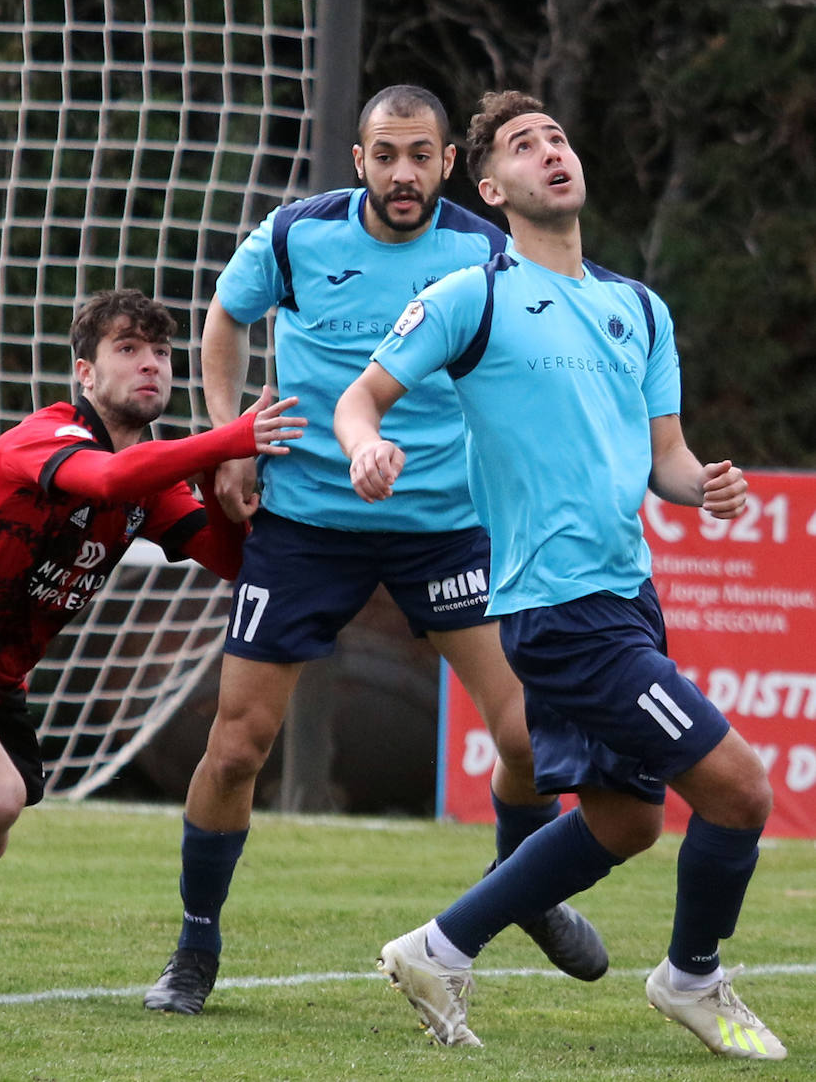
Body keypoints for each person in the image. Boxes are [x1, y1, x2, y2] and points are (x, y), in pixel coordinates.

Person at [333, 90, 785, 1060]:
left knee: (625, 821)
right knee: (741, 790)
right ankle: (692, 978)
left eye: (558, 139)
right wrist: (366, 447)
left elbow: (664, 457)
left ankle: (439, 946)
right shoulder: (474, 296)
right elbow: (359, 400)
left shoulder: (639, 308)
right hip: (560, 607)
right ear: (491, 186)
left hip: (628, 595)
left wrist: (700, 483)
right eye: (525, 147)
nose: (552, 154)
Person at [143, 85, 607, 1018]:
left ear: (448, 167)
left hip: (446, 526)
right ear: (358, 161)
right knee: (238, 746)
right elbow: (224, 322)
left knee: (524, 735)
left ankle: (525, 888)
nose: (404, 174)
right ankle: (194, 948)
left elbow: (536, 349)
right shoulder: (295, 236)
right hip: (308, 524)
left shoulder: (483, 249)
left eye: (421, 156)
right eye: (386, 155)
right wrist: (229, 439)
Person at [0, 288, 306, 1002]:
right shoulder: (43, 438)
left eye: (162, 353)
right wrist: (229, 439)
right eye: (128, 350)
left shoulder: (156, 482)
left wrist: (222, 487)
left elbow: (233, 560)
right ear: (85, 374)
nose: (151, 366)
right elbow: (108, 478)